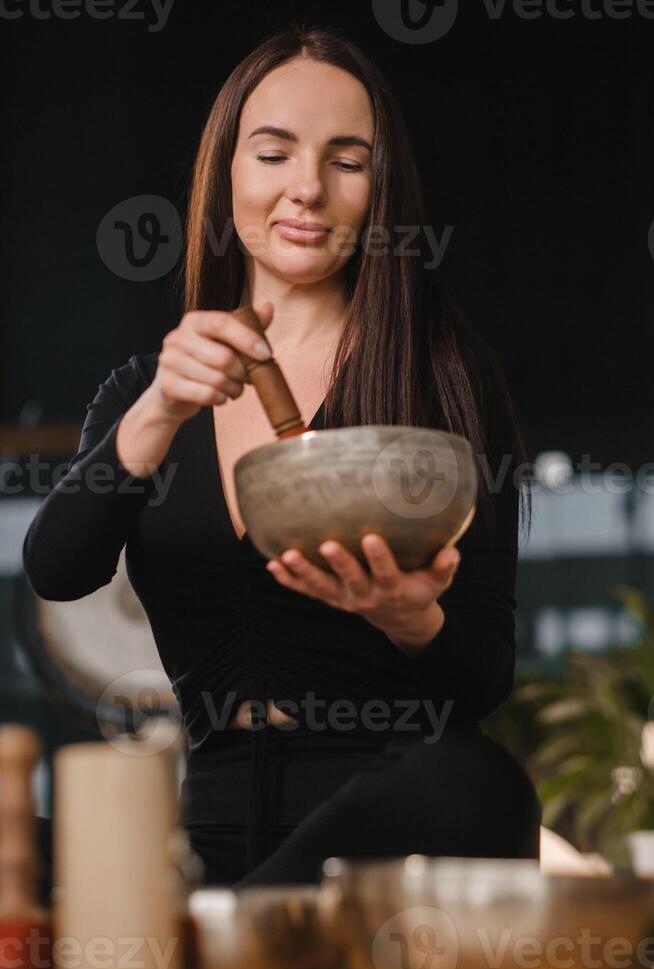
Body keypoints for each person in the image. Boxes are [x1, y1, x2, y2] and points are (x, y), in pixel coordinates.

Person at [22, 23, 541, 892]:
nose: (308, 189)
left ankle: (236, 932)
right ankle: (249, 926)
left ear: (381, 190)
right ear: (228, 174)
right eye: (274, 154)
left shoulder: (441, 374)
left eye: (347, 160)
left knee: (475, 779)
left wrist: (408, 616)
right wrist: (158, 412)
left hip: (390, 813)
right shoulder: (144, 394)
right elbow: (58, 570)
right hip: (206, 822)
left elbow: (482, 673)